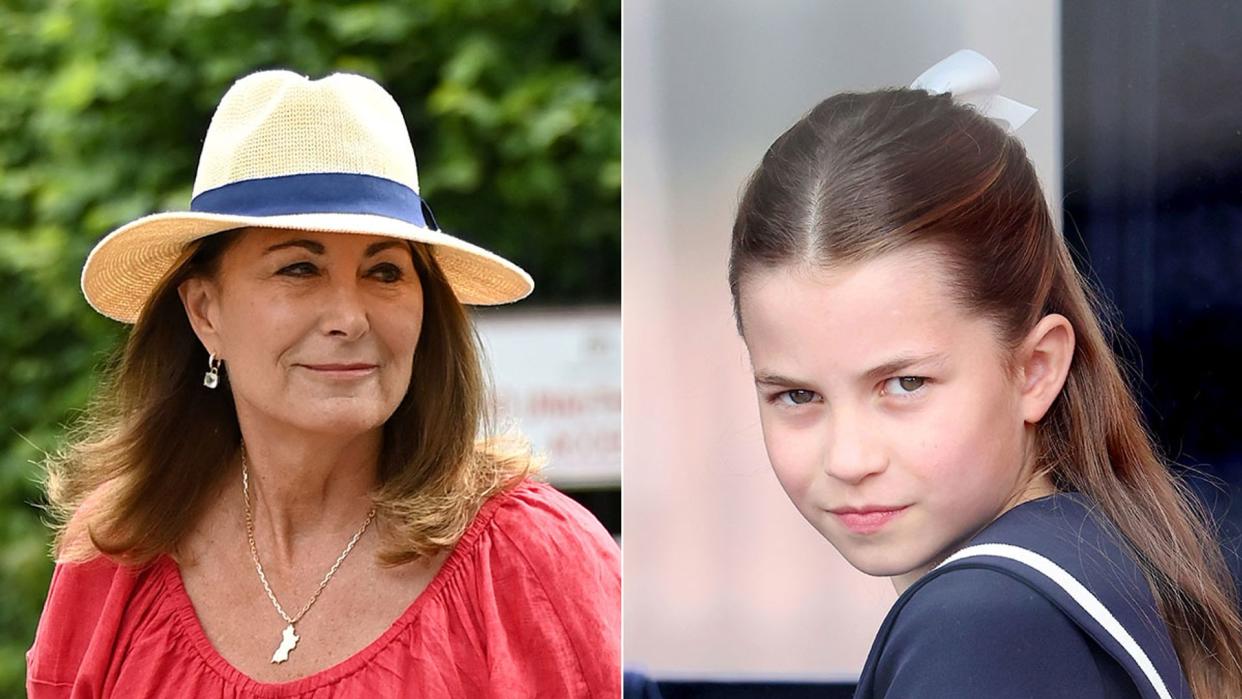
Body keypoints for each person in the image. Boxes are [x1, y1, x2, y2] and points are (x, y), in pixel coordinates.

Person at [26, 70, 620, 697]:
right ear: (205, 312)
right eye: (300, 268)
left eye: (385, 272)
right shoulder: (115, 553)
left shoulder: (531, 560)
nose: (349, 318)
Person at [728, 51, 1242, 698]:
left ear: (1035, 369)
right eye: (797, 395)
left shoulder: (980, 620)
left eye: (904, 384)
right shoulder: (1102, 554)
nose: (849, 457)